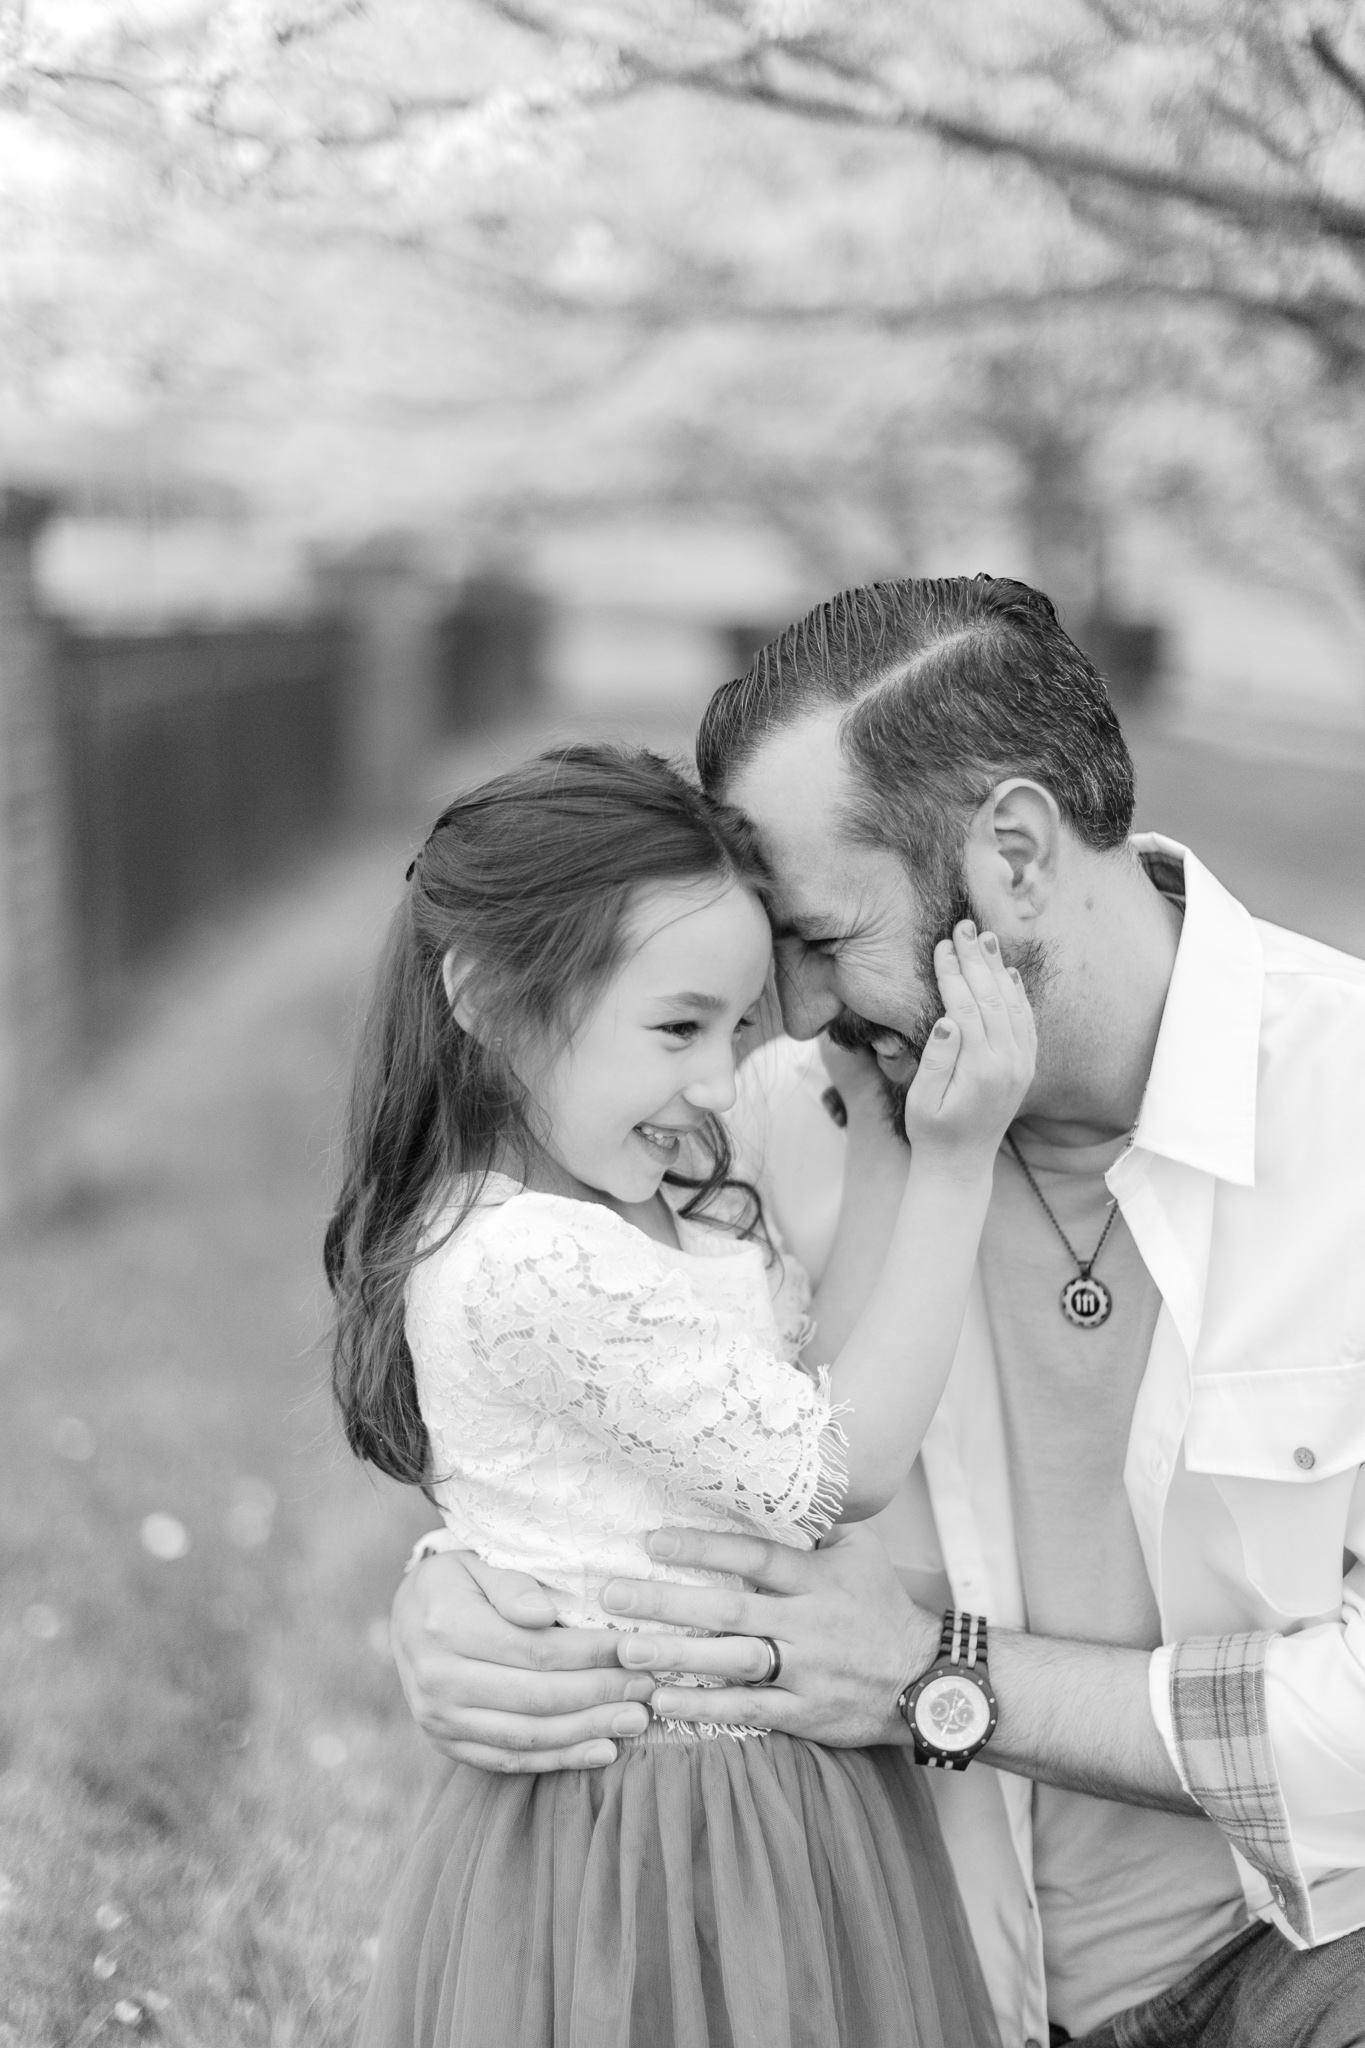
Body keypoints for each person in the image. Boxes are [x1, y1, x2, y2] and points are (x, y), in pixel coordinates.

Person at [389, 577, 1365, 2048]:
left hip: (1301, 1955)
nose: (777, 1017)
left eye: (818, 938)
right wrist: (458, 1607)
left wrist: (938, 1683)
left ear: (1014, 859)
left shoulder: (1343, 1112)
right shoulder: (769, 1120)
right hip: (907, 1968)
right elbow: (583, 1398)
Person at [327, 741, 1036, 2047]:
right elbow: (835, 1470)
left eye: (738, 1028)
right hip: (650, 1824)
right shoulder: (528, 1261)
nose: (718, 1082)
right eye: (675, 1028)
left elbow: (823, 1361)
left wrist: (882, 1130)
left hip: (782, 1788)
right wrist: (951, 1166)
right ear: (487, 996)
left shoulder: (650, 1193)